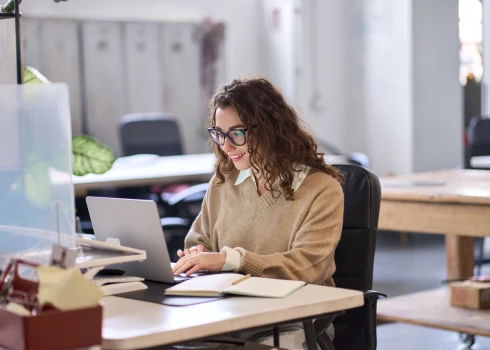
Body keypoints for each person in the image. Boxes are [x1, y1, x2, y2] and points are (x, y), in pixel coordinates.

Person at [172, 77, 344, 349]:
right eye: (219, 133)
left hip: (292, 320)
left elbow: (307, 268)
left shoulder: (321, 189)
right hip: (227, 312)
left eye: (237, 133)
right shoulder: (223, 180)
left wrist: (231, 260)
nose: (226, 147)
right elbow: (198, 240)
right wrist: (198, 255)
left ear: (270, 129)